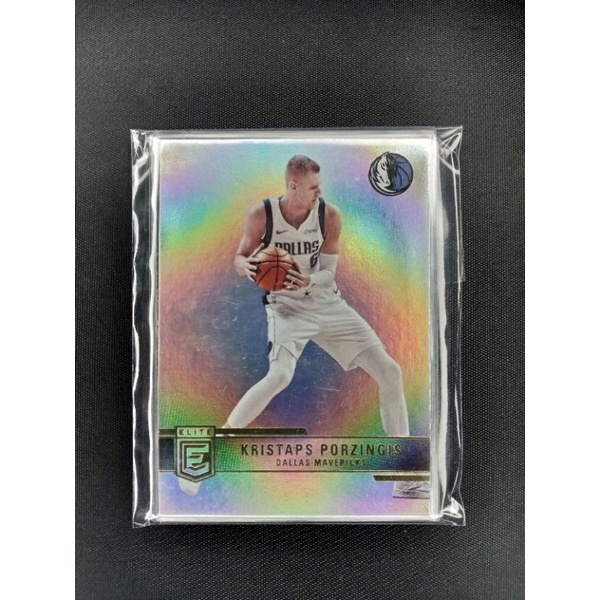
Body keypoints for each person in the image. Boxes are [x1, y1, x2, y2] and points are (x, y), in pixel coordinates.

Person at [179, 155, 428, 499]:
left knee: (390, 371)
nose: (318, 192)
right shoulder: (262, 214)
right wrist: (247, 267)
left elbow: (329, 272)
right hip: (286, 308)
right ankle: (210, 456)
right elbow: (240, 257)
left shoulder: (329, 215)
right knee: (279, 377)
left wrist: (309, 280)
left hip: (326, 303)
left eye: (319, 186)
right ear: (293, 185)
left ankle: (404, 477)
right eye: (312, 187)